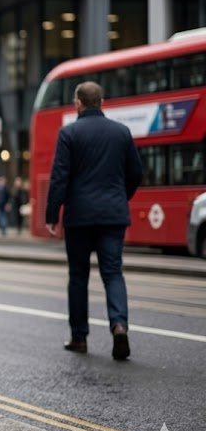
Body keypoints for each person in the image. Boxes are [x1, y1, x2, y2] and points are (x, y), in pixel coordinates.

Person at [46, 81, 142, 361]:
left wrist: (52, 214)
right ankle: (119, 325)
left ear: (78, 103)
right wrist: (119, 197)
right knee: (113, 273)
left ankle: (79, 337)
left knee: (78, 276)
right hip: (113, 216)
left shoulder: (69, 133)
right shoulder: (121, 132)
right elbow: (136, 173)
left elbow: (59, 178)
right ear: (102, 102)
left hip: (79, 217)